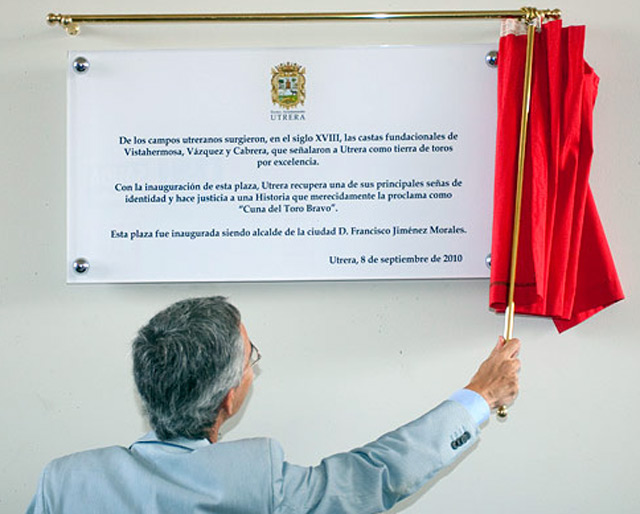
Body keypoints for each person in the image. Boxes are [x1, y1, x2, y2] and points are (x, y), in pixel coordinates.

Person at [27, 296, 520, 513]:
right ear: (229, 398)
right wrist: (480, 395)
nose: (251, 368)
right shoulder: (257, 479)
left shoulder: (65, 482)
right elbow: (376, 476)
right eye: (249, 360)